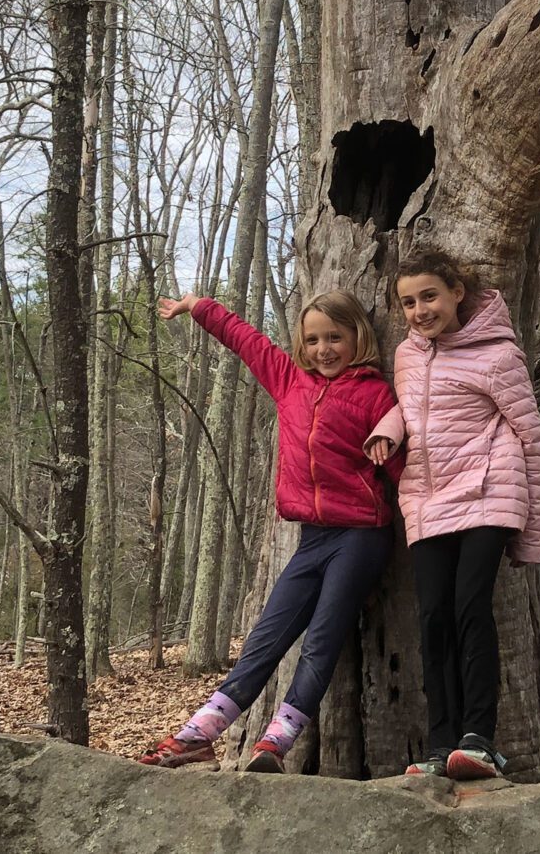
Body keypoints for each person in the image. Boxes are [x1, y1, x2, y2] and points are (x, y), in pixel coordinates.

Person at [140, 289, 403, 772]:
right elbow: (246, 340)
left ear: (357, 337)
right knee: (267, 635)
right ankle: (202, 733)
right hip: (312, 538)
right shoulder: (290, 381)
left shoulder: (375, 394)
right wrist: (198, 307)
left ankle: (276, 742)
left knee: (323, 638)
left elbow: (403, 467)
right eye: (314, 340)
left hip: (362, 536)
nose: (324, 349)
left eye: (335, 338)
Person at [365, 255, 540, 781]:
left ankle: (478, 739)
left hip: (489, 489)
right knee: (432, 619)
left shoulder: (498, 354)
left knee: (470, 608)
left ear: (457, 293)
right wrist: (389, 430)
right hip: (426, 495)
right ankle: (440, 742)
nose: (420, 310)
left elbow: (532, 438)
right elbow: (411, 404)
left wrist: (529, 536)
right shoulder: (405, 354)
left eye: (430, 297)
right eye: (408, 301)